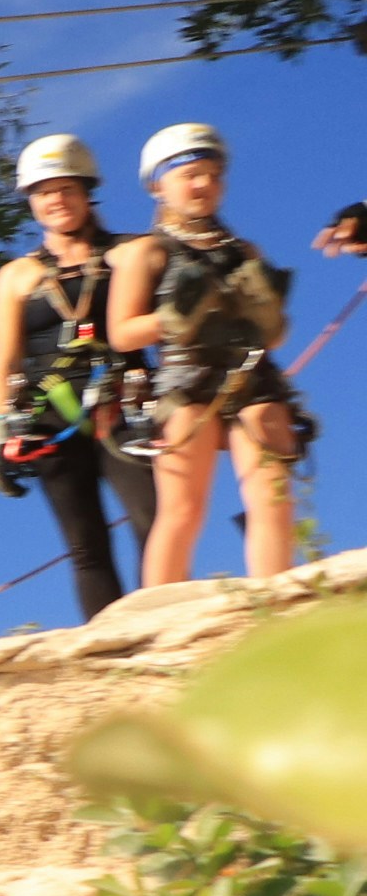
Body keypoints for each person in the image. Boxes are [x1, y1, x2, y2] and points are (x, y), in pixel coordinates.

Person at [108, 122, 309, 588]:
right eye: (191, 175)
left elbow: (273, 339)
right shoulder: (147, 252)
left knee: (273, 495)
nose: (205, 185)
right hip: (187, 380)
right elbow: (121, 333)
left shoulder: (243, 251)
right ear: (159, 184)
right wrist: (170, 320)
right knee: (182, 508)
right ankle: (158, 621)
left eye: (214, 175)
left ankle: (276, 602)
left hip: (251, 375)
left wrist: (267, 317)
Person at [0, 134, 160, 621]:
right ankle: (109, 649)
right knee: (86, 546)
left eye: (66, 189)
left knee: (152, 520)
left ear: (86, 192)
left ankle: (162, 627)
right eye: (44, 192)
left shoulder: (130, 252)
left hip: (122, 403)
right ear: (31, 202)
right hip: (48, 416)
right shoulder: (15, 277)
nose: (56, 200)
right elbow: (5, 358)